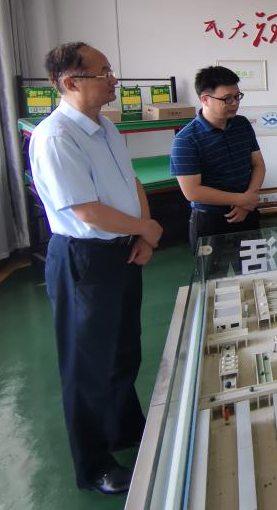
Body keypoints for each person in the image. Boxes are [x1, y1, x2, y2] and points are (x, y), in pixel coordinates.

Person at [29, 42, 163, 495]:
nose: (113, 79)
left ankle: (124, 429)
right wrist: (144, 227)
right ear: (70, 82)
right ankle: (94, 465)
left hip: (122, 250)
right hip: (84, 259)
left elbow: (132, 182)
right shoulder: (56, 137)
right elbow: (86, 211)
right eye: (103, 72)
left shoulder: (104, 126)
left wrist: (143, 235)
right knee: (86, 365)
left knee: (123, 351)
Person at [171, 66, 265, 257]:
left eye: (237, 96)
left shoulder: (242, 124)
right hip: (210, 221)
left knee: (255, 271)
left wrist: (247, 201)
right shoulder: (186, 140)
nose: (234, 103)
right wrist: (241, 200)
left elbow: (258, 165)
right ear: (205, 99)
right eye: (227, 98)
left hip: (247, 212)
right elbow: (192, 192)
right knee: (212, 274)